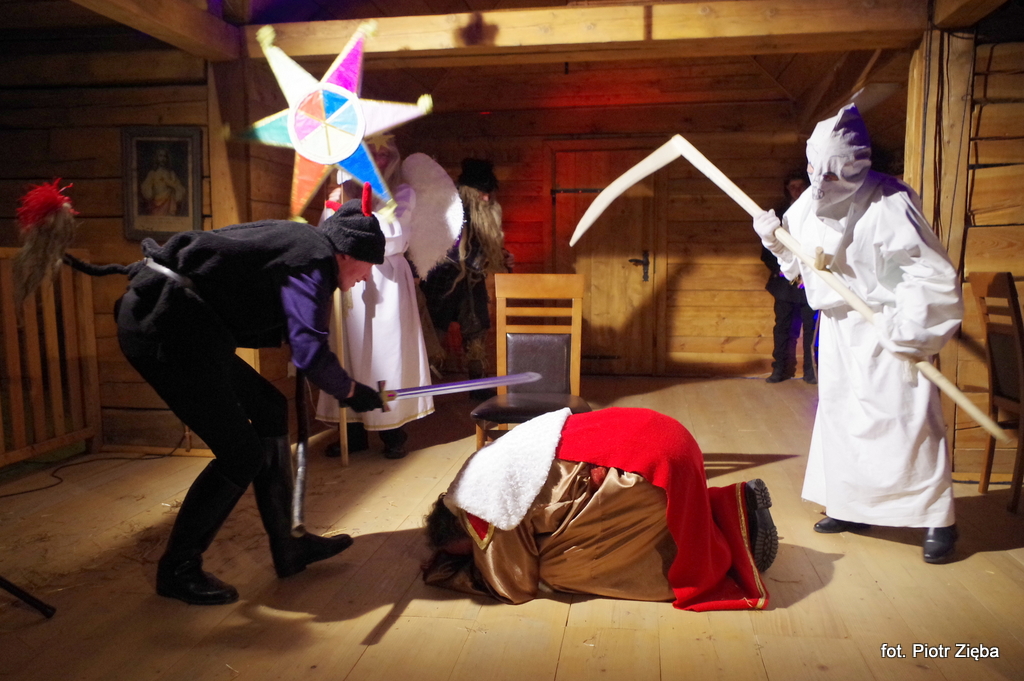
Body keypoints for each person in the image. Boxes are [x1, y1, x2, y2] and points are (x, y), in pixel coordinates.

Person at [60, 192, 389, 605]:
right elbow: (309, 352)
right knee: (240, 454)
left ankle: (289, 545)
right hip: (164, 328)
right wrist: (352, 392)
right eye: (369, 266)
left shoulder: (305, 244)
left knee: (269, 408)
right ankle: (178, 569)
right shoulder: (312, 262)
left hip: (191, 327)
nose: (367, 278)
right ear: (347, 253)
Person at [752, 104, 964, 563]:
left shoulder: (890, 201)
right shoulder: (807, 204)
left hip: (887, 328)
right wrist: (774, 239)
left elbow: (930, 274)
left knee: (905, 422)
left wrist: (910, 329)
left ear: (857, 165)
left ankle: (936, 518)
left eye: (832, 174)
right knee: (842, 419)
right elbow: (799, 268)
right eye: (815, 171)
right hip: (838, 329)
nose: (820, 184)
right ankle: (851, 506)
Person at [421, 407, 777, 611]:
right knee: (670, 510)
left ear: (462, 529)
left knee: (556, 569)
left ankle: (734, 545)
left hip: (650, 471)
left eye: (470, 552)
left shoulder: (479, 512)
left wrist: (450, 575)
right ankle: (729, 509)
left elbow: (514, 585)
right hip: (664, 437)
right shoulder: (473, 471)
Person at [315, 137, 436, 459]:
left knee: (384, 354)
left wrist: (356, 216)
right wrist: (335, 208)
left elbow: (393, 236)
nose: (380, 160)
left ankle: (391, 430)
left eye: (386, 154)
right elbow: (325, 236)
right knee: (348, 351)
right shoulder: (341, 193)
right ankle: (352, 430)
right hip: (348, 277)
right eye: (373, 153)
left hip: (386, 282)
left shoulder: (402, 193)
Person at [420, 158, 510, 393]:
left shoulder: (482, 216)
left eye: (488, 193)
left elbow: (483, 248)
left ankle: (478, 384)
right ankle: (421, 388)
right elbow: (454, 250)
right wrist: (488, 260)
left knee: (476, 331)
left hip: (471, 283)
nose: (487, 199)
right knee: (433, 332)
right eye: (482, 193)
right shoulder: (451, 210)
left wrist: (501, 258)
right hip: (443, 281)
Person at [762, 170, 817, 384]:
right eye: (792, 187)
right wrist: (785, 270)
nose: (797, 190)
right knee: (782, 327)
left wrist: (807, 273)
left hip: (810, 280)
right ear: (787, 189)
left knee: (812, 329)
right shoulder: (778, 215)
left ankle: (811, 372)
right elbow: (767, 251)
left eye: (800, 186)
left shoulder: (817, 212)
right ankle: (779, 370)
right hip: (785, 282)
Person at [139, 146, 187, 216]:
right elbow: (146, 191)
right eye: (160, 156)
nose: (163, 159)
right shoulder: (152, 174)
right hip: (155, 207)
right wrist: (151, 188)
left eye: (165, 156)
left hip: (169, 205)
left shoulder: (171, 174)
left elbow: (181, 190)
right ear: (157, 158)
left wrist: (170, 183)